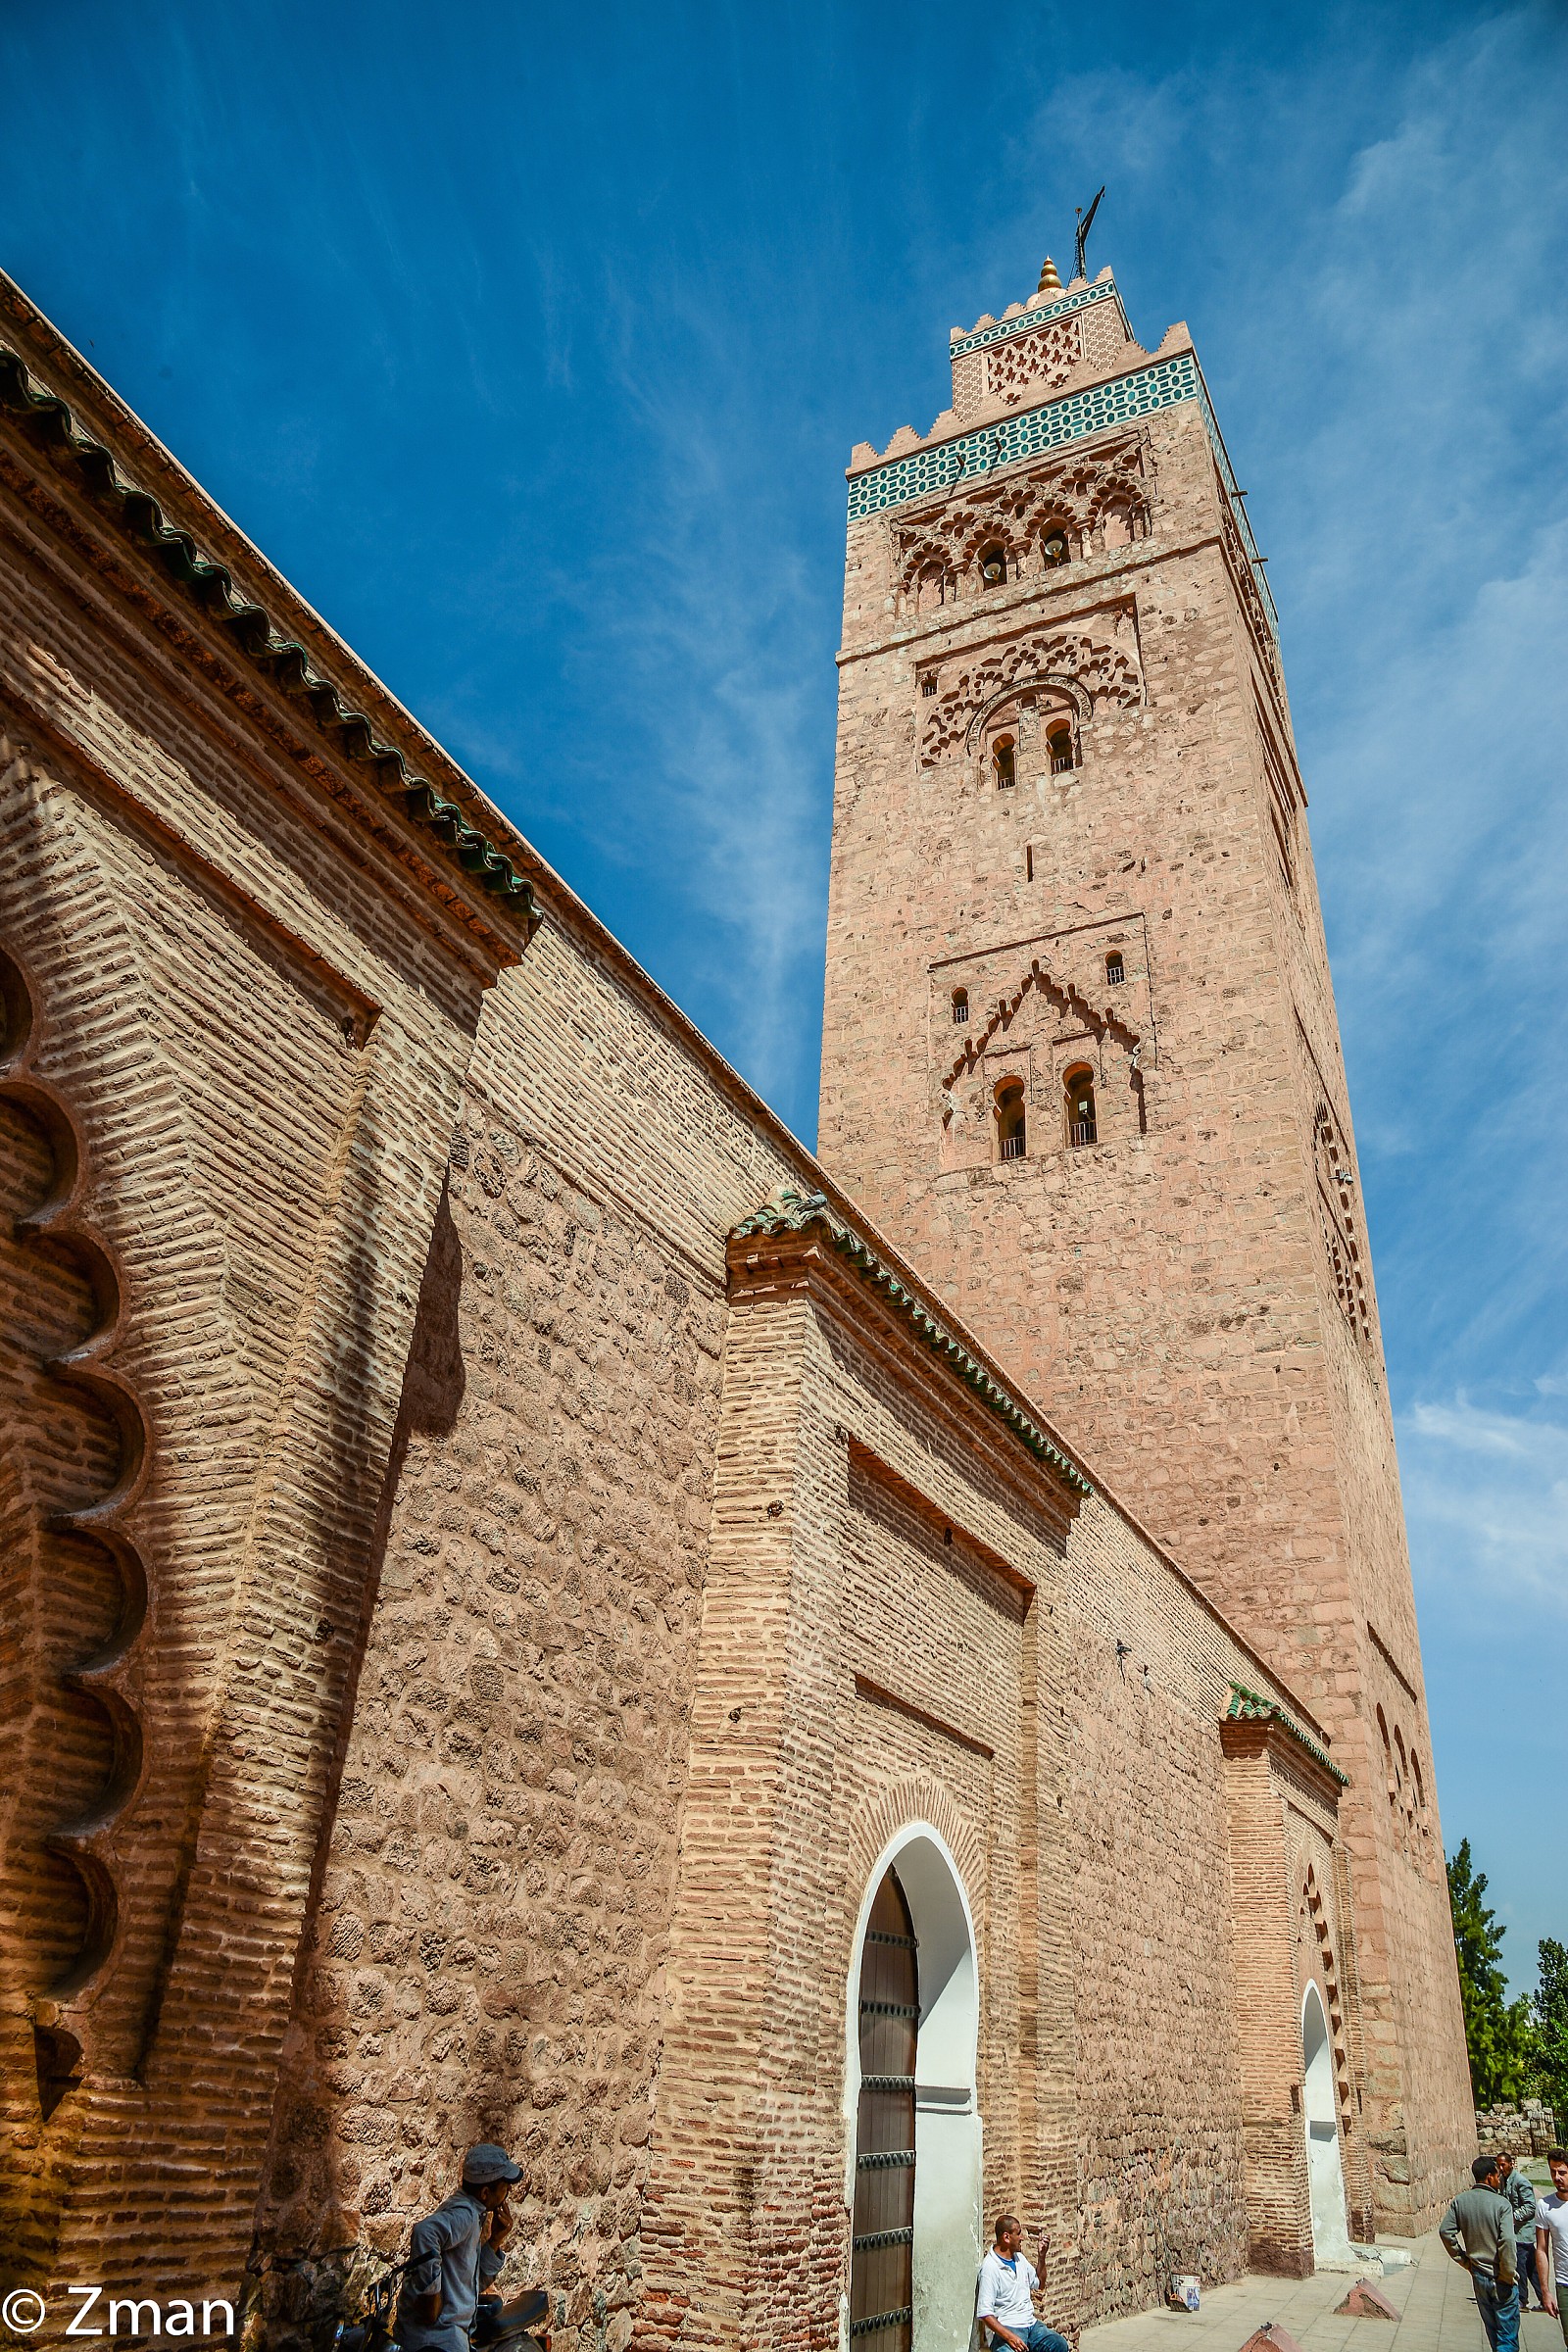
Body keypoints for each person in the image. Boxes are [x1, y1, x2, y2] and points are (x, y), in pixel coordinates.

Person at [396, 2142, 537, 2352]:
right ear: (485, 2192)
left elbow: (472, 2280)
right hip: (438, 2339)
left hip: (448, 2335)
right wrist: (431, 2295)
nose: (507, 2192)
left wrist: (495, 2241)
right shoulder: (465, 2215)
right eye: (504, 2188)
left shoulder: (473, 2214)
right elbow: (424, 2232)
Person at [1439, 2153, 1519, 2352]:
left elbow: (1445, 2231)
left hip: (1479, 2275)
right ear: (1490, 2176)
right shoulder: (1502, 2205)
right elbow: (1507, 2240)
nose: (1499, 2179)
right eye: (1497, 2175)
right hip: (1500, 2277)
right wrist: (1507, 2273)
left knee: (1492, 2331)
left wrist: (1464, 2260)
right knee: (1507, 2337)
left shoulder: (1461, 2201)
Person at [975, 2213, 1069, 2352]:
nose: (1022, 2238)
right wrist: (1010, 2337)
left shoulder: (1020, 2259)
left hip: (1031, 2325)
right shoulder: (990, 2268)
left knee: (1059, 2344)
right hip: (1007, 2327)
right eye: (1018, 2233)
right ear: (1006, 2237)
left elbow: (1040, 2283)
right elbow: (985, 2313)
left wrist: (1041, 2257)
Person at [1498, 2153, 1540, 2310]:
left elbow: (1530, 2206)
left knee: (1520, 2267)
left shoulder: (1521, 2182)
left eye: (1504, 2165)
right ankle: (1543, 2299)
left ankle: (1522, 2299)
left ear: (1511, 2164)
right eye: (1499, 2165)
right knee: (1531, 2269)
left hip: (1523, 2233)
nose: (1501, 2168)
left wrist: (1512, 2217)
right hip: (1514, 2232)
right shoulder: (1503, 2180)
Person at [1538, 2147, 1568, 2347]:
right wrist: (1545, 2292)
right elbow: (1541, 2249)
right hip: (1564, 2283)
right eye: (1553, 2172)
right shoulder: (1545, 2206)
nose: (1557, 2177)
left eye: (1562, 2172)